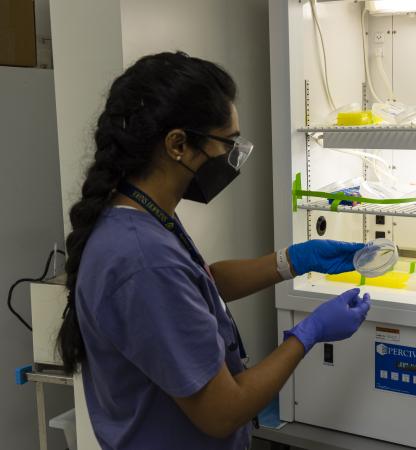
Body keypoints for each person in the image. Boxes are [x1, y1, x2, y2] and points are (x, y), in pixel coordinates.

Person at [56, 51, 371, 450]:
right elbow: (222, 412)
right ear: (178, 144)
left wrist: (293, 260)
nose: (234, 157)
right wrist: (308, 334)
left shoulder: (138, 215)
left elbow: (200, 285)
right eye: (229, 143)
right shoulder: (143, 260)